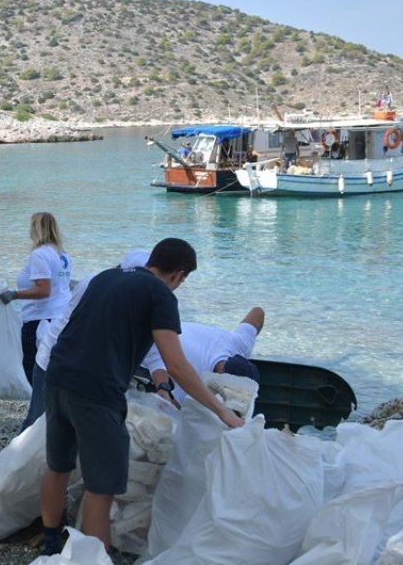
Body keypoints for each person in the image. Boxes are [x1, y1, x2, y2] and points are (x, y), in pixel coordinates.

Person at [38, 238, 243, 555]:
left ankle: (50, 544)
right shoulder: (160, 294)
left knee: (58, 466)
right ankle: (95, 560)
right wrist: (221, 411)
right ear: (177, 275)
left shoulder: (107, 277)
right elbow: (176, 364)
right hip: (96, 393)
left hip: (58, 376)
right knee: (101, 488)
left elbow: (79, 326)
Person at [20, 249, 149, 432]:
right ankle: (14, 458)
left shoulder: (124, 290)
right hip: (55, 355)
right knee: (36, 421)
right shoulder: (96, 283)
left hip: (78, 362)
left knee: (67, 427)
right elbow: (82, 326)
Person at [0, 212, 72, 384]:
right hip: (61, 317)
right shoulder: (63, 255)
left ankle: (36, 406)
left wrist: (14, 295)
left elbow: (43, 290)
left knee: (33, 366)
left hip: (40, 320)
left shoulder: (39, 255)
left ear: (36, 229)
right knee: (53, 365)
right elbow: (61, 286)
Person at [143, 307, 265, 406]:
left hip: (170, 330)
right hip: (146, 344)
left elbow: (258, 313)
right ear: (221, 374)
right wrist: (163, 389)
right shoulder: (194, 375)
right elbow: (157, 363)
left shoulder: (239, 346)